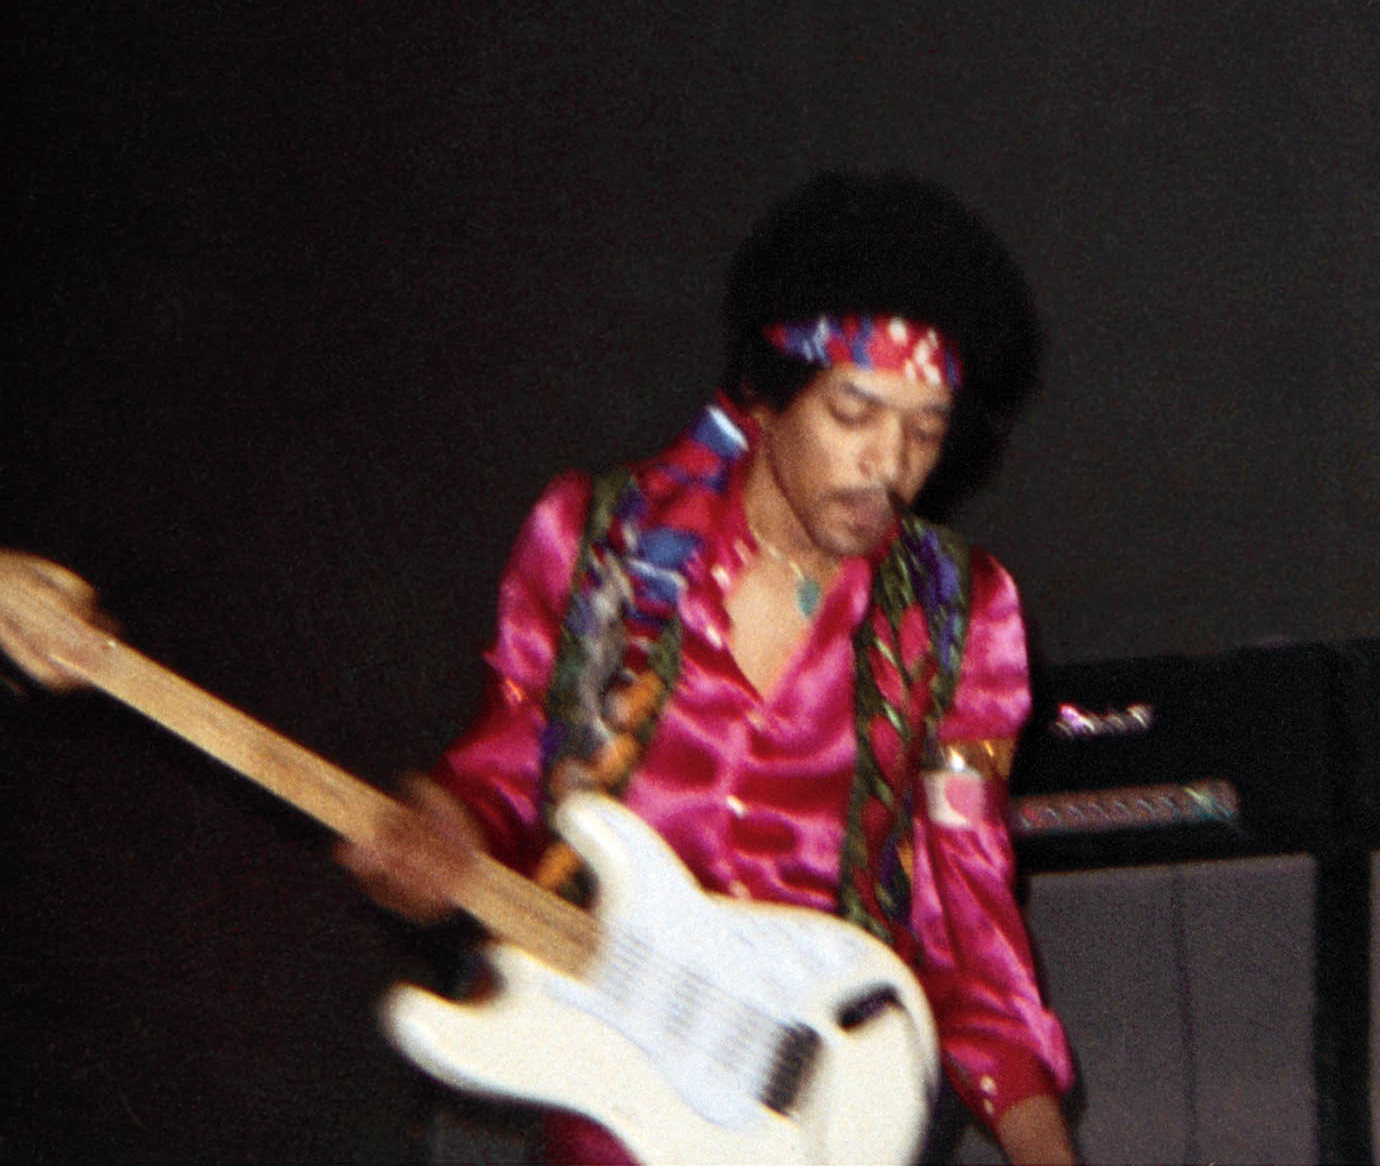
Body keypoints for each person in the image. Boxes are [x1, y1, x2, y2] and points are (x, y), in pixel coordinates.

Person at [341, 171, 1078, 1164]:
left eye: (925, 429)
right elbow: (502, 774)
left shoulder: (959, 613)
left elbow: (972, 925)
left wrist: (1043, 1149)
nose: (888, 466)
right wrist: (439, 836)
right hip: (611, 1114)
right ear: (765, 401)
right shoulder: (594, 542)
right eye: (854, 413)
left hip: (822, 1131)